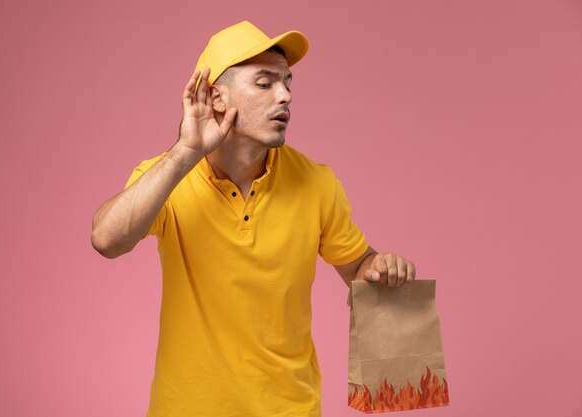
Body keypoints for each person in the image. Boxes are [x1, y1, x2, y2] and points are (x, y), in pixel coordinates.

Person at [91, 21, 416, 417]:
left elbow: (359, 268)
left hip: (290, 409)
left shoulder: (316, 182)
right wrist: (184, 152)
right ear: (216, 99)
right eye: (265, 84)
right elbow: (107, 240)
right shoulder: (169, 177)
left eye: (288, 83)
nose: (286, 96)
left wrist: (378, 266)